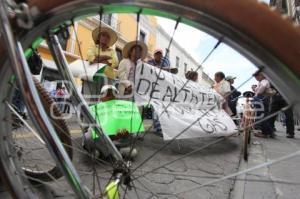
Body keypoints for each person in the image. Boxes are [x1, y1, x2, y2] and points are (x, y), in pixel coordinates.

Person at [82, 85, 138, 159]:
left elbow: (129, 128)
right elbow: (85, 129)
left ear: (117, 97)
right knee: (87, 137)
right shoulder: (93, 110)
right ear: (101, 97)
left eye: (113, 95)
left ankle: (104, 153)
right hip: (101, 140)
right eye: (107, 94)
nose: (110, 97)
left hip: (116, 141)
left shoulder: (122, 109)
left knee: (134, 135)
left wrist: (124, 131)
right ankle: (113, 153)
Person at [83, 26, 119, 102]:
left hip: (108, 78)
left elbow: (115, 62)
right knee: (92, 99)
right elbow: (90, 57)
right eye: (103, 35)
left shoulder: (112, 51)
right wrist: (106, 57)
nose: (105, 38)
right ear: (99, 37)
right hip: (95, 76)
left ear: (109, 40)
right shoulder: (93, 47)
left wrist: (98, 58)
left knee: (108, 99)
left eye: (107, 37)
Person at [252, 71, 274, 138]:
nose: (256, 78)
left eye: (257, 76)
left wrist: (258, 92)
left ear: (261, 75)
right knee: (263, 116)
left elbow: (263, 86)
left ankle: (266, 133)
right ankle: (269, 132)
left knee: (262, 117)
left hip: (262, 100)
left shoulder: (264, 81)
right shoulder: (262, 81)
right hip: (263, 100)